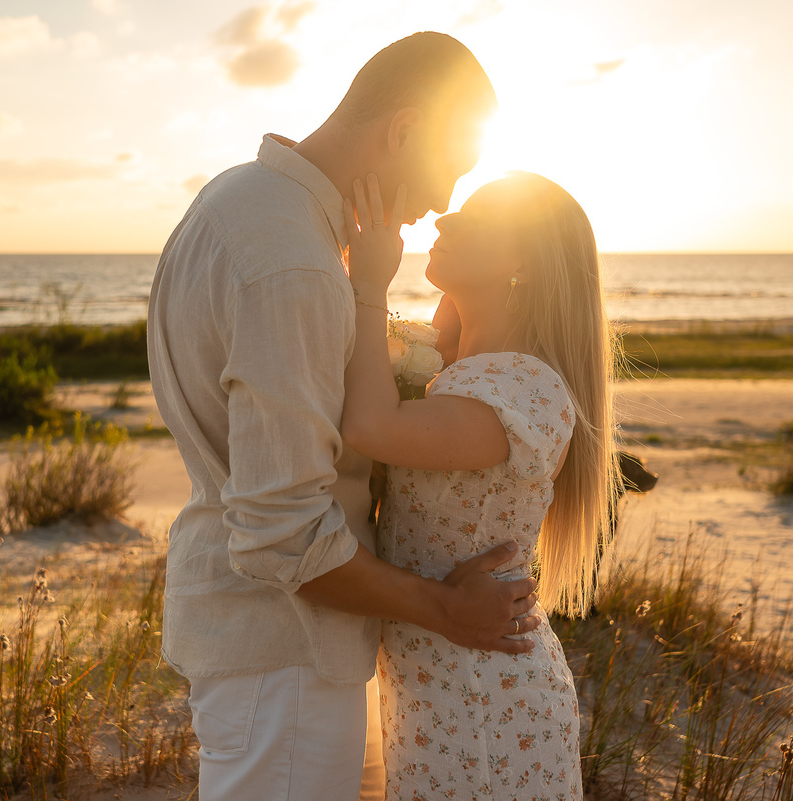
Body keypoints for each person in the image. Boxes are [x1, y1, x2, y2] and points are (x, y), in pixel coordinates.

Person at [147, 33, 542, 801]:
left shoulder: (237, 200)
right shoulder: (294, 263)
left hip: (262, 644)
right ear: (404, 131)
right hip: (285, 651)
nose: (443, 203)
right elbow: (283, 530)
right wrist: (447, 607)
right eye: (452, 169)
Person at [341, 171, 619, 799]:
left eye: (475, 218)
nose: (443, 221)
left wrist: (369, 285)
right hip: (442, 687)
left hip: (485, 701)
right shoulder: (465, 370)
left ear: (522, 263)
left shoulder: (524, 388)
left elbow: (369, 427)